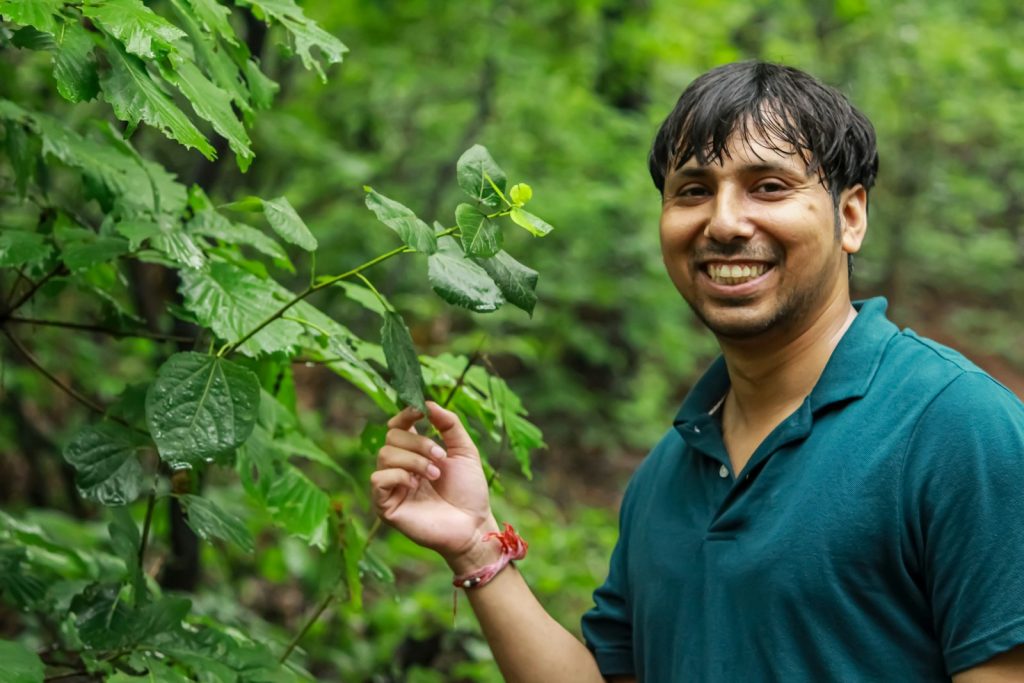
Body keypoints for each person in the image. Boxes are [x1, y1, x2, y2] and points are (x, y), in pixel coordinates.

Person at [370, 61, 1024, 682]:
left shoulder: (957, 429)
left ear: (849, 216)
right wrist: (478, 545)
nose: (725, 222)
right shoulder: (666, 474)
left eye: (768, 186)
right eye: (693, 191)